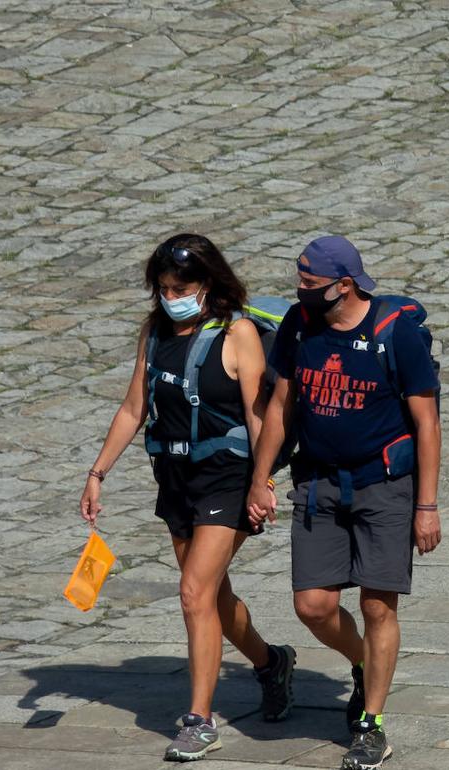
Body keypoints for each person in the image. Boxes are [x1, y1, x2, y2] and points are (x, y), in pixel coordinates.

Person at [80, 234, 296, 762]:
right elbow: (134, 407)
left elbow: (257, 413)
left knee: (194, 593)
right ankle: (271, 663)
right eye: (164, 287)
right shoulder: (154, 331)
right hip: (175, 476)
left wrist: (261, 480)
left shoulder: (238, 332)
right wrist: (97, 473)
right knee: (211, 596)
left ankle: (199, 721)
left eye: (182, 287)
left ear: (208, 284)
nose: (171, 295)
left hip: (228, 476)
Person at [246, 235, 441, 770]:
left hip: (384, 486)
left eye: (310, 286)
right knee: (313, 605)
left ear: (345, 285)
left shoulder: (394, 334)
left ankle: (371, 724)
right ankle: (362, 664)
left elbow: (426, 422)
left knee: (378, 605)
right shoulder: (299, 325)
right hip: (319, 484)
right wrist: (259, 477)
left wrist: (427, 505)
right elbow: (282, 403)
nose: (301, 293)